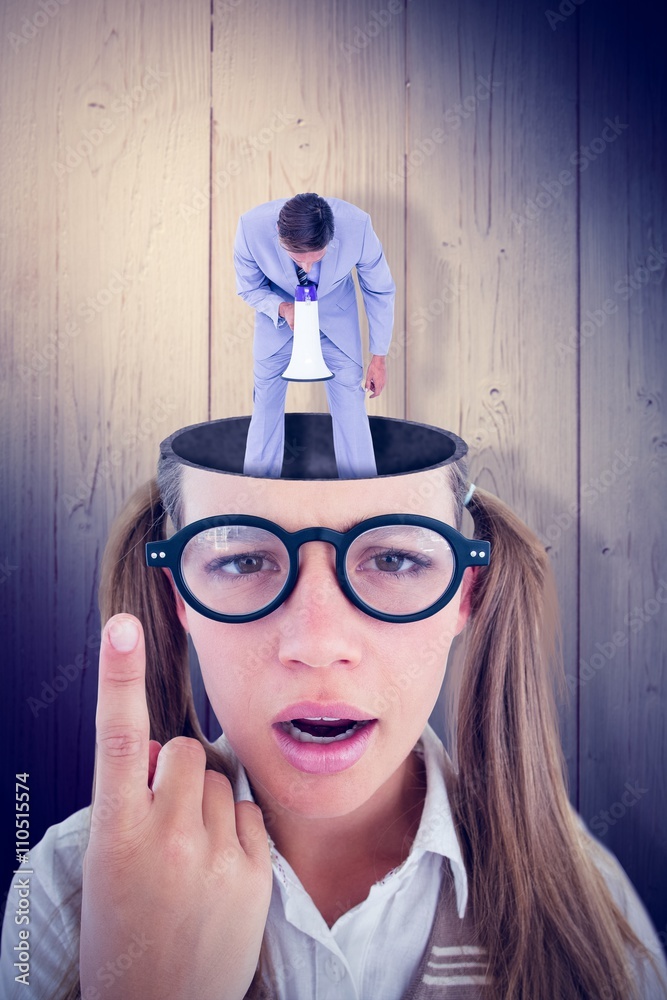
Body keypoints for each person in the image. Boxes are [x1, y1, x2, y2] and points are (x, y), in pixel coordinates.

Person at [2, 414, 666, 1000]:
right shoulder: (62, 888)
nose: (317, 645)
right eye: (240, 562)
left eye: (397, 558)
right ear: (179, 597)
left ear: (465, 594)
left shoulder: (587, 904)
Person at [234, 193, 395, 479]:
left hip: (337, 326)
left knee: (352, 416)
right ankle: (255, 503)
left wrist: (379, 356)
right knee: (264, 414)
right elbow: (249, 288)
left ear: (331, 240)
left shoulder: (357, 226)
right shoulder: (250, 228)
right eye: (298, 259)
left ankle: (363, 501)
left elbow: (379, 289)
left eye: (316, 259)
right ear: (279, 237)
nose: (307, 268)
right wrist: (282, 308)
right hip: (278, 326)